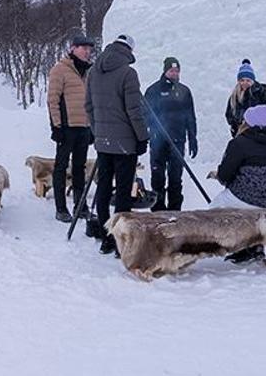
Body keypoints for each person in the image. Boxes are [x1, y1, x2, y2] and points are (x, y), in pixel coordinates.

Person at [83, 34, 149, 255]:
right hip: (125, 143)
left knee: (102, 188)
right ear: (129, 50)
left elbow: (89, 106)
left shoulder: (93, 72)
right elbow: (134, 110)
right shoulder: (128, 73)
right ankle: (121, 239)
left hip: (103, 142)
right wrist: (142, 137)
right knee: (122, 191)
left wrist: (97, 131)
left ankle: (106, 237)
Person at [212, 104, 266, 262]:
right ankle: (254, 246)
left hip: (250, 198)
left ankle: (240, 246)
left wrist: (221, 176)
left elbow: (226, 173)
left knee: (214, 210)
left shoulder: (239, 143)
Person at [46, 33, 96, 223]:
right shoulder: (60, 69)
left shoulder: (88, 72)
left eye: (89, 49)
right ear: (73, 48)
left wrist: (91, 126)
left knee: (79, 168)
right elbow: (52, 100)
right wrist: (56, 126)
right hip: (66, 128)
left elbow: (91, 102)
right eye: (84, 48)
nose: (87, 52)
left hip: (83, 128)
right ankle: (61, 208)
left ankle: (80, 206)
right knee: (61, 167)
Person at [142, 56, 198, 210]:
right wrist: (150, 132)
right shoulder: (153, 90)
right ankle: (158, 209)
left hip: (178, 140)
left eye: (177, 71)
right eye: (171, 70)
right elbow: (144, 114)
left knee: (175, 178)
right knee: (158, 177)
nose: (174, 74)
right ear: (165, 71)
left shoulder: (184, 91)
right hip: (158, 141)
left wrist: (193, 138)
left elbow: (190, 117)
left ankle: (174, 210)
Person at [224, 59, 266, 136]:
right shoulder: (234, 98)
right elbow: (230, 118)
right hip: (244, 139)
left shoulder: (261, 94)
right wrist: (236, 130)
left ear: (253, 81)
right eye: (242, 80)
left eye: (248, 80)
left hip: (262, 139)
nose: (245, 83)